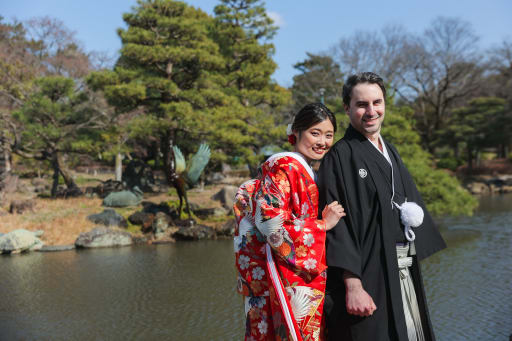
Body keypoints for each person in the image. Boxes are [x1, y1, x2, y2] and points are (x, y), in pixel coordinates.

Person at [317, 72, 446, 341]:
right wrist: (352, 284)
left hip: (401, 265)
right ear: (347, 107)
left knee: (411, 333)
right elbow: (336, 224)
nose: (371, 111)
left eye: (377, 102)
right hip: (367, 273)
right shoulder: (340, 157)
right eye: (362, 104)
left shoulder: (391, 150)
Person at [233, 103, 345, 341]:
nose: (322, 142)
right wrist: (322, 225)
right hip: (284, 272)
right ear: (296, 132)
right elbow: (270, 222)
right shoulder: (284, 166)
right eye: (315, 133)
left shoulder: (301, 168)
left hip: (291, 271)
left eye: (328, 135)